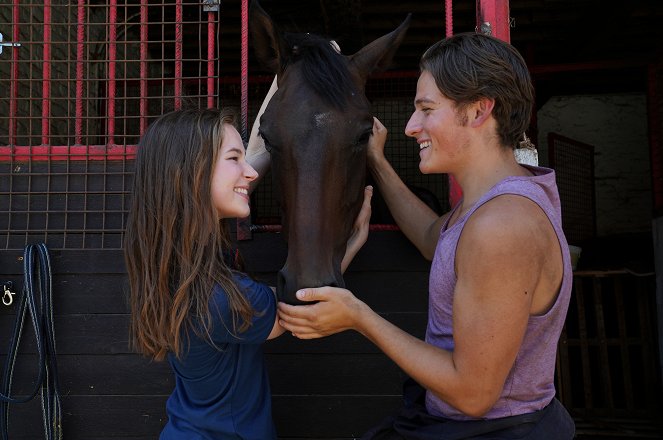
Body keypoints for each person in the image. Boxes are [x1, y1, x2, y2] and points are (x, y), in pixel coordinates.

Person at [277, 32, 576, 439]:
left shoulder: (502, 226)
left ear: (477, 112)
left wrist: (358, 317)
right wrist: (376, 162)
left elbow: (473, 395)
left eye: (426, 109)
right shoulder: (491, 204)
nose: (411, 127)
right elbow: (435, 238)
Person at [123, 106, 372, 439]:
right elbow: (298, 311)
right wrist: (353, 243)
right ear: (191, 174)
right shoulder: (222, 297)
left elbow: (244, 165)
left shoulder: (177, 268)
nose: (250, 172)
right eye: (233, 159)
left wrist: (282, 79)